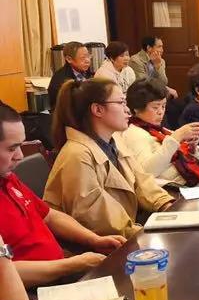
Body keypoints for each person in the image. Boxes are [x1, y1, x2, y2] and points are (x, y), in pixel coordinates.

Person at [0, 102, 126, 287]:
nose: (19, 155)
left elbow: (49, 216)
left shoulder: (8, 178)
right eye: (11, 148)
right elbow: (5, 273)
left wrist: (94, 239)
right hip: (33, 292)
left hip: (61, 270)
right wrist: (71, 265)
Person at [44, 79, 173, 238]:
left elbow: (141, 180)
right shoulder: (77, 155)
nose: (127, 110)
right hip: (99, 243)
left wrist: (165, 204)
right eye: (121, 102)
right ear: (98, 109)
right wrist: (148, 233)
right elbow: (97, 219)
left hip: (127, 231)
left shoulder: (114, 139)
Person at [122, 79, 199, 186]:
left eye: (163, 106)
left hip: (192, 182)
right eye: (155, 107)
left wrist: (192, 149)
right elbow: (147, 172)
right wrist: (175, 138)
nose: (161, 112)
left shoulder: (160, 130)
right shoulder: (134, 133)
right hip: (174, 189)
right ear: (137, 108)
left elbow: (194, 162)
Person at [48, 41, 94, 108]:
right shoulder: (61, 80)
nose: (88, 60)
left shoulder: (88, 72)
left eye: (88, 56)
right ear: (69, 59)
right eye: (83, 57)